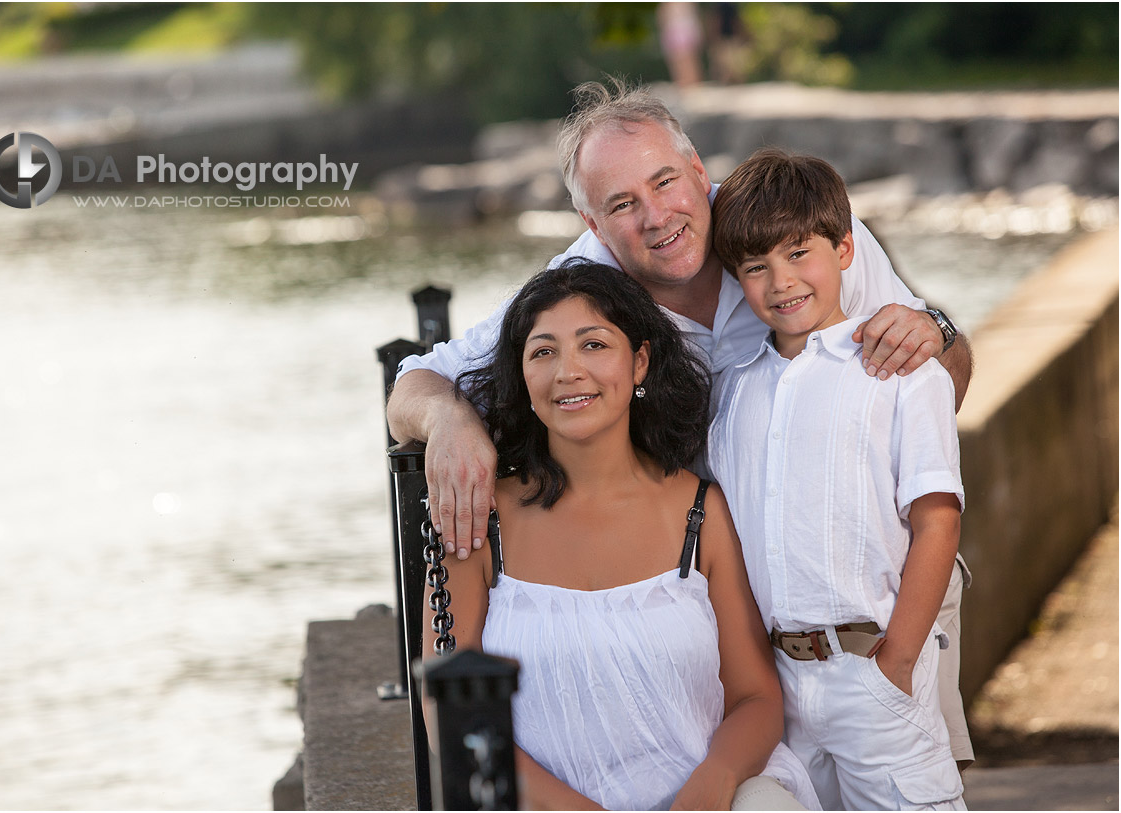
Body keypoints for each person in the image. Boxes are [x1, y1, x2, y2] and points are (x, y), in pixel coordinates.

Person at [388, 79, 975, 768]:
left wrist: (932, 330)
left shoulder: (784, 229)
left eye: (665, 181)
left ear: (700, 171)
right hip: (746, 610)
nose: (656, 215)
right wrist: (451, 419)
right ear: (591, 223)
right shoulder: (582, 291)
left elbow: (949, 376)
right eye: (622, 204)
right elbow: (413, 384)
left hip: (879, 594)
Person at [424, 258, 820, 810]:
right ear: (523, 378)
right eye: (543, 351)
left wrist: (711, 786)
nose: (568, 371)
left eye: (593, 344)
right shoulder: (476, 519)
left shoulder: (701, 513)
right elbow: (448, 709)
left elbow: (756, 697)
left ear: (639, 362)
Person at [707, 148, 965, 810]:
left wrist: (896, 662)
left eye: (799, 254)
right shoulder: (734, 393)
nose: (781, 281)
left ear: (846, 249)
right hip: (776, 691)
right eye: (756, 267)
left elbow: (938, 518)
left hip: (870, 672)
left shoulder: (902, 371)